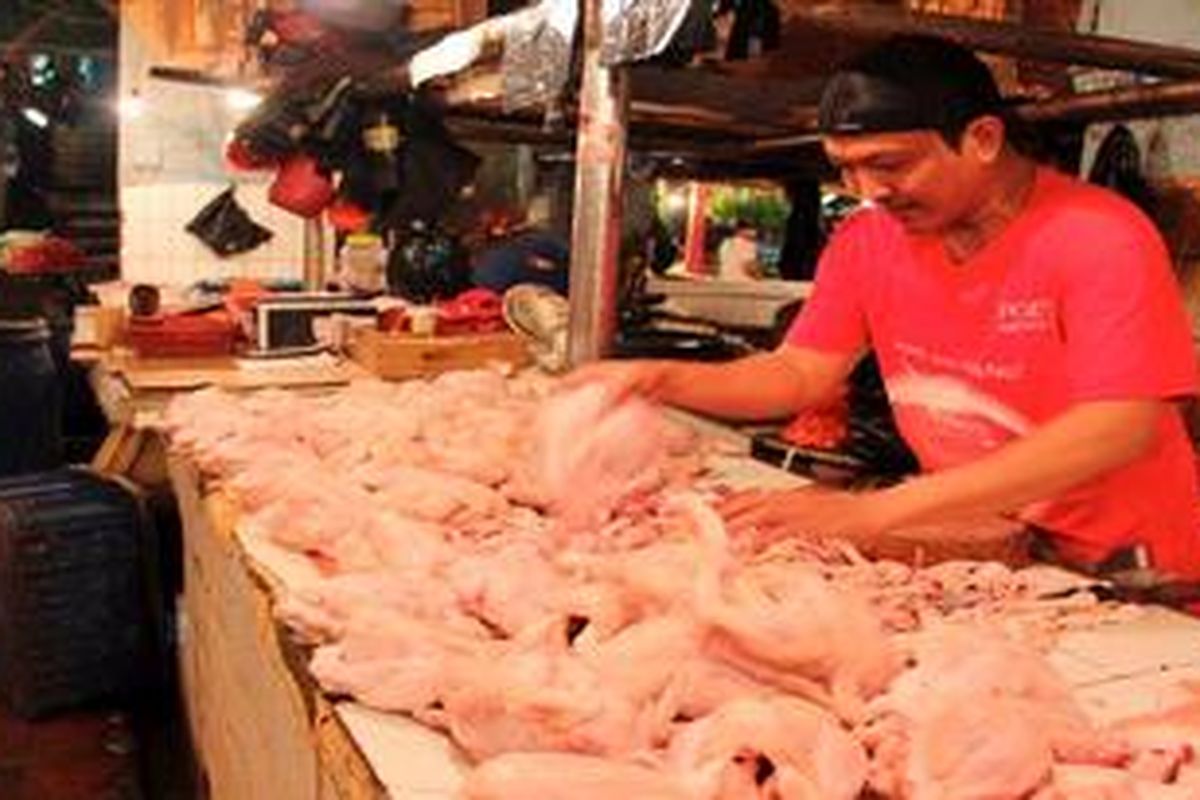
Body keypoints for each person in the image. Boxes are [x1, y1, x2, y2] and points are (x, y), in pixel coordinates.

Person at [570, 34, 1200, 580]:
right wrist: (659, 377)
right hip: (987, 544)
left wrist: (873, 511)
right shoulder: (867, 240)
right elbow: (799, 373)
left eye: (890, 164)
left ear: (982, 138)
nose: (867, 192)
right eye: (846, 170)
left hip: (1134, 567)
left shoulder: (1097, 235)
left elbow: (1120, 425)